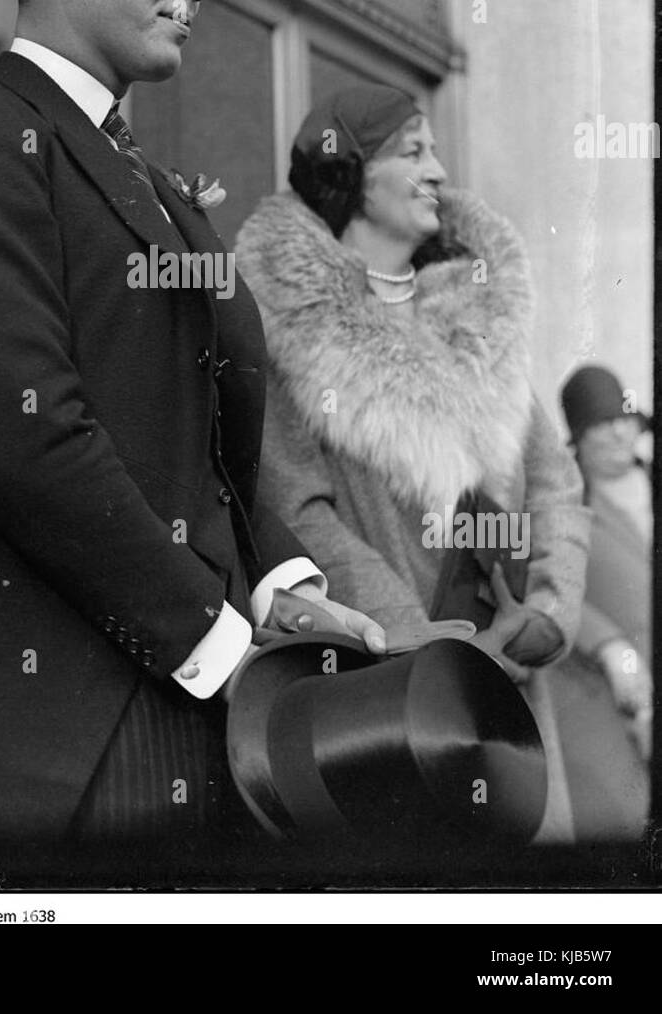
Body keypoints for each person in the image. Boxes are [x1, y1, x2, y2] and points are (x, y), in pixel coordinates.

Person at [0, 0, 384, 862]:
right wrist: (230, 644)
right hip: (62, 750)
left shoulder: (156, 184)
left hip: (203, 712)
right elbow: (32, 445)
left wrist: (281, 580)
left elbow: (201, 454)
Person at [234, 83, 589, 842]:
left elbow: (556, 485)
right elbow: (294, 508)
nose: (437, 171)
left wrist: (549, 612)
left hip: (511, 691)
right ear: (349, 174)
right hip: (383, 691)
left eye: (435, 151)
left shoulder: (477, 312)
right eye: (412, 152)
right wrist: (417, 641)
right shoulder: (288, 326)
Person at [549, 365, 653, 838]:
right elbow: (546, 583)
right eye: (599, 422)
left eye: (623, 418)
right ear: (578, 439)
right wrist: (612, 646)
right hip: (612, 693)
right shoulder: (565, 508)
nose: (616, 430)